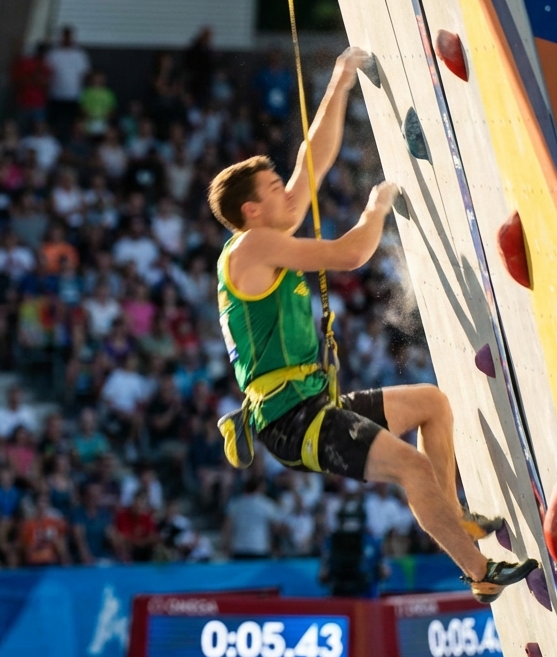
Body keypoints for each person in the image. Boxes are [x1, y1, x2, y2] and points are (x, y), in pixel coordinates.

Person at [205, 48, 535, 602]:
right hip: (290, 418)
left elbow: (315, 157)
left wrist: (340, 78)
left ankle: (453, 516)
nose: (287, 190)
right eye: (272, 189)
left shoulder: (265, 233)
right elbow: (352, 253)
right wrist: (376, 207)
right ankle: (479, 571)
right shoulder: (254, 245)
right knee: (411, 467)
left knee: (433, 404)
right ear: (252, 211)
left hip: (312, 401)